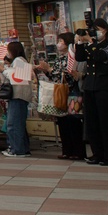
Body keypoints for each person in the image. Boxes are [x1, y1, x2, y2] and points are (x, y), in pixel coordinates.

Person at [76, 19, 108, 166]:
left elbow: (101, 57)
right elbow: (80, 57)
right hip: (89, 87)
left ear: (105, 30)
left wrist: (92, 42)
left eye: (97, 29)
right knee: (92, 123)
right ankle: (97, 154)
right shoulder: (91, 45)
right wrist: (80, 42)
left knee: (106, 122)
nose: (95, 32)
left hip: (104, 87)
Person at [35, 32, 84, 160]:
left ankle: (78, 151)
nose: (59, 44)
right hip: (60, 93)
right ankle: (66, 150)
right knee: (62, 122)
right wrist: (47, 71)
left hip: (72, 92)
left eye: (61, 41)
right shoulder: (58, 58)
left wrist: (51, 70)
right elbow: (55, 76)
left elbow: (68, 74)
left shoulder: (72, 57)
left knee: (74, 122)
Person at [0, 41, 33, 158]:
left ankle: (17, 149)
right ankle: (23, 148)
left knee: (13, 124)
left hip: (18, 96)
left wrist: (3, 70)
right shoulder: (21, 61)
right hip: (20, 97)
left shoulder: (19, 61)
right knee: (19, 124)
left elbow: (18, 79)